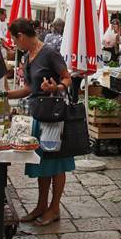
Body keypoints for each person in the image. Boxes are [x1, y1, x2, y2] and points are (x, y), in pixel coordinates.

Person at [5, 18, 73, 226]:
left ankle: (54, 208)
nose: (15, 45)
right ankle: (41, 205)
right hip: (38, 114)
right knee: (42, 162)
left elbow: (67, 78)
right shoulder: (27, 57)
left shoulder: (50, 53)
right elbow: (29, 88)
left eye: (16, 41)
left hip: (53, 116)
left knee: (57, 162)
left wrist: (57, 88)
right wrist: (5, 94)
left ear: (21, 36)